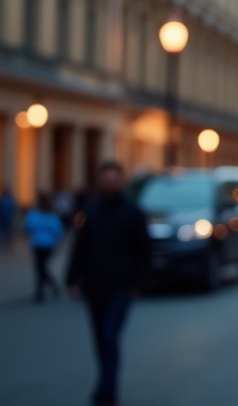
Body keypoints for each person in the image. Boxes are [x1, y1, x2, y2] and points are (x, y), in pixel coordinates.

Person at [66, 162, 152, 406]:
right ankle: (107, 383)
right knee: (100, 340)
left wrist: (139, 283)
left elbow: (144, 251)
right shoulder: (91, 212)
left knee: (109, 337)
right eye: (106, 180)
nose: (110, 184)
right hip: (94, 286)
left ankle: (106, 391)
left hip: (121, 286)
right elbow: (80, 248)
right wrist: (72, 278)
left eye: (114, 180)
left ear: (121, 182)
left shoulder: (133, 213)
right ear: (99, 182)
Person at [24, 192, 65, 302]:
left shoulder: (34, 214)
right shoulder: (52, 215)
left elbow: (27, 227)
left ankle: (41, 290)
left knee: (40, 267)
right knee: (41, 267)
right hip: (47, 244)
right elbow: (58, 231)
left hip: (39, 244)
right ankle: (50, 286)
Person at [0, 186, 17, 251]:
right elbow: (13, 209)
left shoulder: (1, 199)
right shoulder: (8, 199)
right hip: (4, 218)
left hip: (3, 218)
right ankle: (3, 246)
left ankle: (2, 246)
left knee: (3, 233)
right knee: (5, 233)